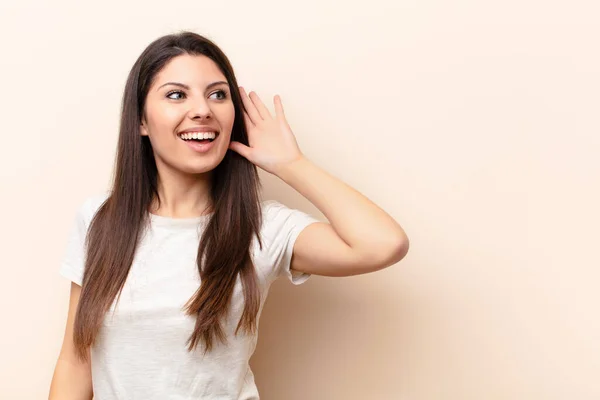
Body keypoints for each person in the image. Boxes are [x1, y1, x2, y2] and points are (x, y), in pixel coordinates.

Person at [48, 31, 409, 400]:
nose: (203, 109)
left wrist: (291, 165)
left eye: (218, 94)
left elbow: (384, 244)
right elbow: (77, 360)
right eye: (176, 94)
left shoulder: (263, 228)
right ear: (141, 120)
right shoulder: (99, 219)